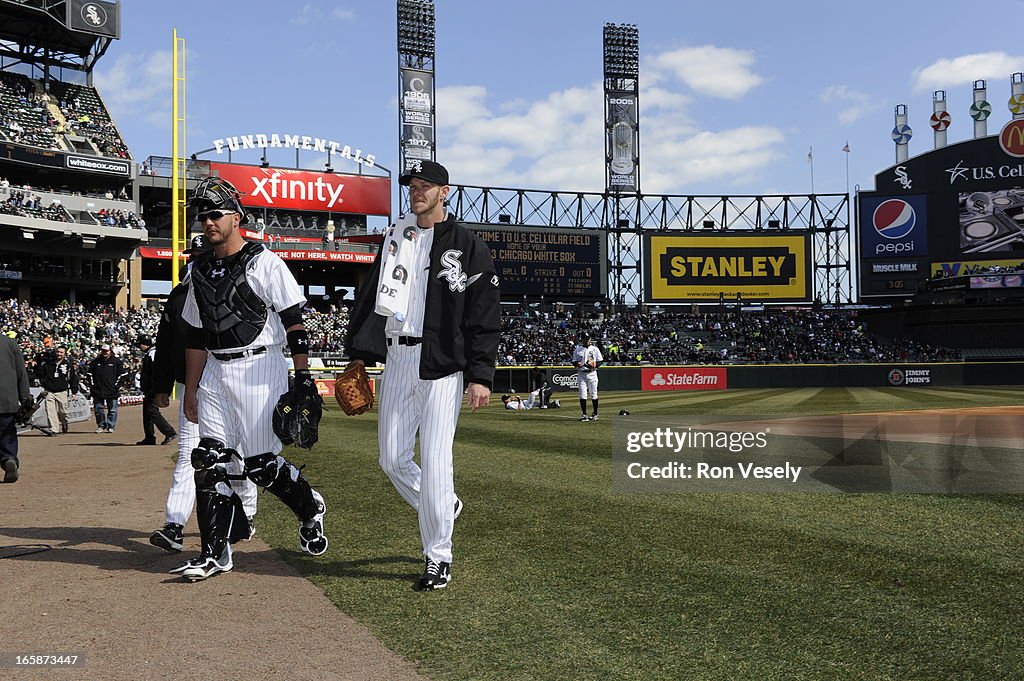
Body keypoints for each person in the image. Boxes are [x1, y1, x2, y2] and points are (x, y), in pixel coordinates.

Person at [346, 159, 501, 591]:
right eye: (412, 185)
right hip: (397, 358)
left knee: (435, 461)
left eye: (426, 185)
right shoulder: (396, 237)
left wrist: (481, 375)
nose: (417, 191)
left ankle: (438, 556)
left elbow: (484, 314)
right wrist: (358, 354)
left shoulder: (468, 245)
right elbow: (369, 299)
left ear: (445, 192)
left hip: (442, 365)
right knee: (392, 458)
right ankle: (444, 506)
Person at [173, 177, 328, 581]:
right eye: (201, 216)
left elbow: (294, 320)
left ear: (236, 217)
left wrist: (304, 376)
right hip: (215, 371)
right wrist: (190, 389)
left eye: (214, 214)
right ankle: (215, 553)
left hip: (260, 367)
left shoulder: (265, 262)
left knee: (260, 466)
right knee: (206, 459)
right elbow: (195, 335)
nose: (207, 222)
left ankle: (309, 507)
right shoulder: (199, 269)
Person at [149, 234, 258, 553]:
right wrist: (160, 386)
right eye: (192, 256)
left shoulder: (237, 291)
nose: (194, 260)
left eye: (201, 255)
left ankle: (246, 515)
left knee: (235, 456)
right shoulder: (179, 295)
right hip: (192, 388)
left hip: (233, 386)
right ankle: (174, 526)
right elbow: (165, 343)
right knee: (189, 456)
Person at [0, 333, 31, 483]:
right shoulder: (10, 343)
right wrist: (25, 399)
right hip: (7, 402)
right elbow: (21, 374)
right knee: (7, 436)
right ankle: (8, 460)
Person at [135, 335, 177, 446]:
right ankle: (149, 437)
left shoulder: (153, 353)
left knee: (152, 411)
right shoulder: (150, 353)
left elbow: (156, 371)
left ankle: (169, 432)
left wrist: (156, 388)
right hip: (149, 387)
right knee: (147, 413)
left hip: (153, 388)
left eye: (140, 344)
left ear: (145, 343)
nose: (139, 347)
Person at [38, 346, 78, 434]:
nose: (59, 354)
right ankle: (54, 429)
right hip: (49, 391)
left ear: (65, 354)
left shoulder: (68, 365)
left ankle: (64, 423)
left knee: (63, 411)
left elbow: (73, 379)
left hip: (62, 391)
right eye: (58, 352)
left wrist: (74, 392)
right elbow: (40, 374)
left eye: (61, 352)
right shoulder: (48, 364)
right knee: (50, 411)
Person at [88, 343, 127, 433]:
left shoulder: (116, 361)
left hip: (112, 390)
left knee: (112, 410)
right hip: (98, 390)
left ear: (110, 351)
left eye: (106, 351)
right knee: (98, 410)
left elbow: (124, 375)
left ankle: (111, 426)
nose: (105, 352)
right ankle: (101, 425)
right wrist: (93, 386)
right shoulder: (95, 361)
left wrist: (117, 386)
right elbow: (89, 375)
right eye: (103, 351)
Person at [572, 332, 603, 421]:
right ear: (582, 339)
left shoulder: (595, 349)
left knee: (594, 394)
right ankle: (584, 414)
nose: (587, 340)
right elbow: (573, 361)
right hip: (581, 373)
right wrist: (576, 364)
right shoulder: (578, 349)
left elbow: (600, 361)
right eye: (585, 338)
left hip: (592, 373)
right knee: (583, 395)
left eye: (588, 338)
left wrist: (595, 365)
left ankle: (595, 414)